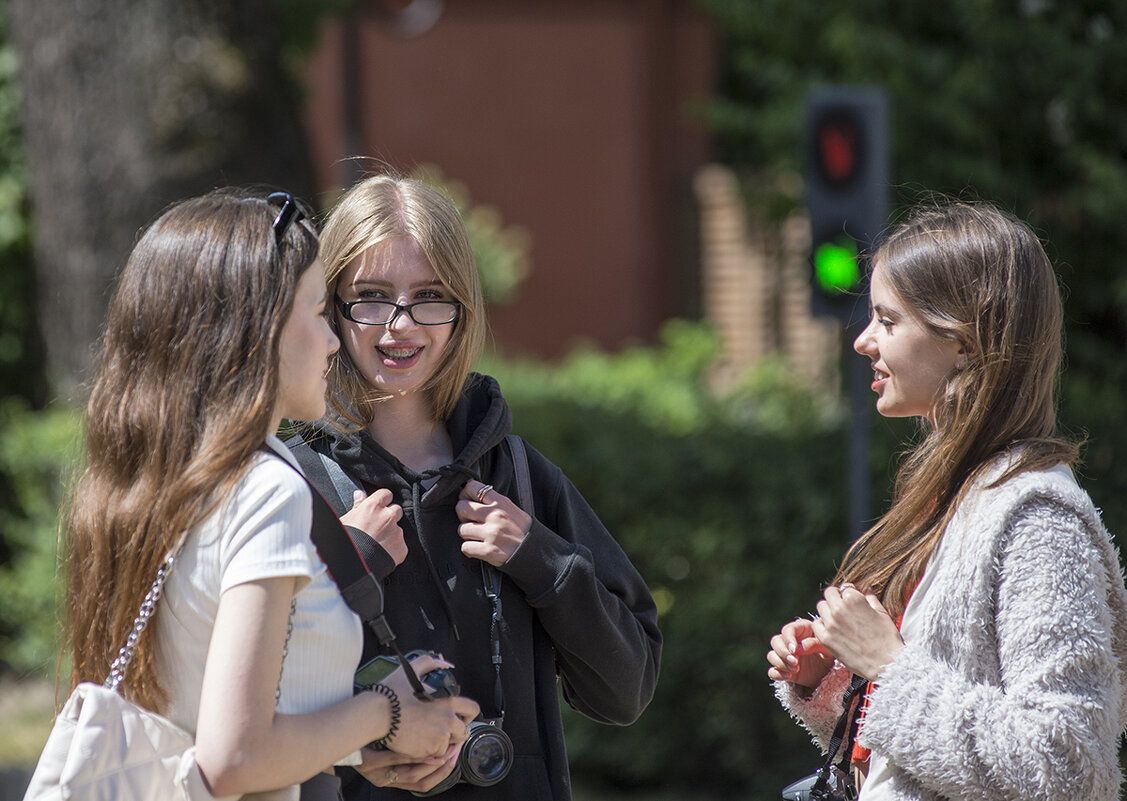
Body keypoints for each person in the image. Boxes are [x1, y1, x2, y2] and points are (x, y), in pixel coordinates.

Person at [61, 188, 480, 801]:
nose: (334, 342)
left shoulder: (163, 476)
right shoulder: (267, 491)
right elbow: (234, 758)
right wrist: (388, 711)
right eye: (318, 313)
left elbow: (204, 700)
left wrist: (359, 746)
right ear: (258, 333)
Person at [286, 174, 662, 800]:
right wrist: (347, 572)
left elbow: (626, 691)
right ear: (330, 306)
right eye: (372, 297)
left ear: (462, 310)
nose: (400, 326)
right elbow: (246, 708)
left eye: (429, 295)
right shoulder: (291, 482)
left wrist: (540, 559)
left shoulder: (518, 477)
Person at [766, 201, 1127, 800]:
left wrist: (888, 667)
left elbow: (1069, 766)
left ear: (964, 342)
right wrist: (835, 683)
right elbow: (923, 760)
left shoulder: (1037, 519)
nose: (862, 341)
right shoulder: (958, 496)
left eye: (887, 320)